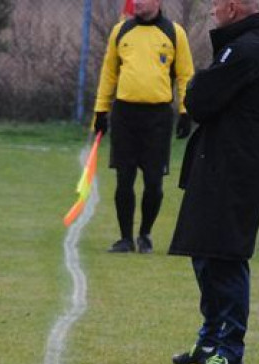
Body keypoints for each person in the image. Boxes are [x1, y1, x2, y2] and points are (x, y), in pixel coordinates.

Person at [167, 0, 259, 364]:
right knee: (205, 253)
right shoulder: (238, 46)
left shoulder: (248, 49)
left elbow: (198, 101)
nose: (211, 10)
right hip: (216, 166)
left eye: (216, 3)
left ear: (233, 7)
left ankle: (231, 348)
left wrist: (200, 80)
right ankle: (211, 337)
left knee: (225, 257)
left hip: (234, 172)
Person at [93, 0, 195, 254]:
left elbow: (185, 75)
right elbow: (109, 73)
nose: (136, 2)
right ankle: (125, 238)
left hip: (158, 118)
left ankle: (145, 234)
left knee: (153, 182)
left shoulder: (174, 33)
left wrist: (185, 112)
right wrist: (100, 110)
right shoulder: (121, 31)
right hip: (125, 115)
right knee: (124, 179)